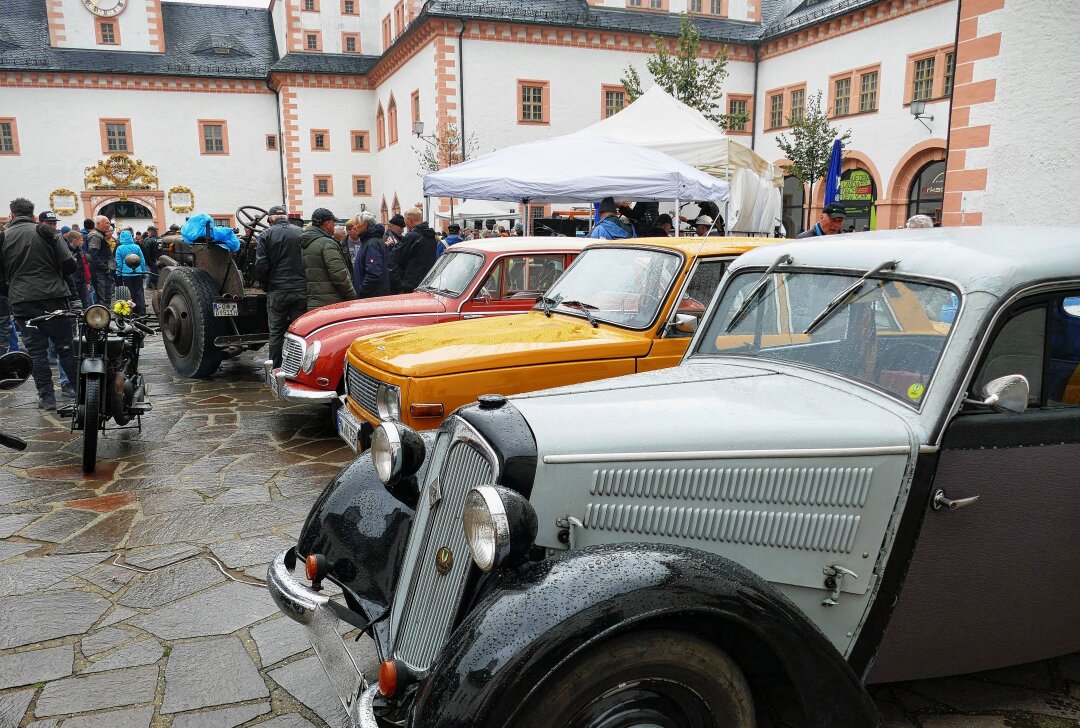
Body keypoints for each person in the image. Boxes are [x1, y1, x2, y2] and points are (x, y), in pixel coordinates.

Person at [0, 198, 78, 409]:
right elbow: (69, 266)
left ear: (12, 215)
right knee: (65, 347)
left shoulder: (3, 237)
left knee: (36, 351)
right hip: (54, 297)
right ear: (33, 215)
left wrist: (14, 291)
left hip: (23, 301)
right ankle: (80, 393)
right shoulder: (47, 232)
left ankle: (47, 397)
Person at [255, 205, 307, 367]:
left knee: (276, 333)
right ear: (286, 217)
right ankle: (299, 367)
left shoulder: (265, 235)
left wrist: (266, 284)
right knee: (300, 331)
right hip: (300, 288)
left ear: (270, 219)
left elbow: (261, 265)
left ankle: (276, 368)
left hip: (277, 290)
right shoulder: (301, 233)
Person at [301, 208, 355, 310]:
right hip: (331, 304)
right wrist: (352, 296)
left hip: (314, 300)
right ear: (328, 223)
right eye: (333, 223)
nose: (334, 226)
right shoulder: (327, 243)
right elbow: (339, 275)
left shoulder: (307, 242)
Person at [396, 208, 438, 293]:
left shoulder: (411, 236)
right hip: (429, 280)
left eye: (405, 221)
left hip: (412, 282)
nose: (405, 224)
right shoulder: (432, 235)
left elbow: (399, 258)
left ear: (409, 220)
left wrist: (391, 246)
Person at [352, 211, 390, 299]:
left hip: (372, 297)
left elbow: (373, 273)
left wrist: (362, 290)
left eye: (357, 223)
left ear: (365, 225)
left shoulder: (372, 244)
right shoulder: (368, 241)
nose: (355, 227)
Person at [115, 230, 148, 314]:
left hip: (126, 274)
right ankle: (142, 311)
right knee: (139, 292)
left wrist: (118, 273)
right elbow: (142, 260)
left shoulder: (120, 248)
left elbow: (118, 263)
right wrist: (144, 272)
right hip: (138, 272)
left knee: (129, 293)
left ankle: (132, 312)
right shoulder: (136, 247)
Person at [86, 215, 116, 304]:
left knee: (106, 294)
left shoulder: (99, 235)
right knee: (102, 296)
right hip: (100, 273)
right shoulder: (95, 235)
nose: (109, 225)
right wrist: (105, 268)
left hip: (102, 271)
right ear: (99, 224)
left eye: (109, 223)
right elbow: (93, 256)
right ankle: (103, 315)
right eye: (107, 223)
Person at [67, 229, 93, 308]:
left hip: (81, 281)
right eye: (81, 240)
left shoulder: (81, 252)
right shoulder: (66, 252)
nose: (83, 242)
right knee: (73, 303)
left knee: (84, 302)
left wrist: (87, 281)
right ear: (75, 241)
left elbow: (85, 266)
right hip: (71, 282)